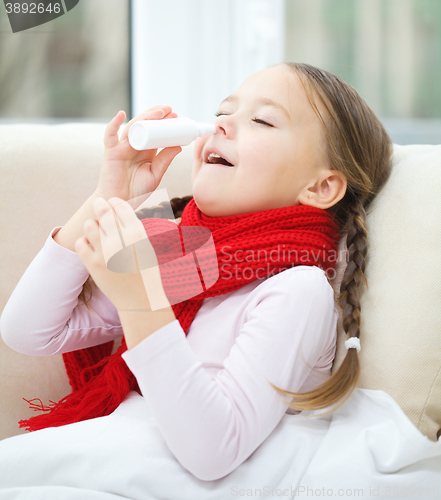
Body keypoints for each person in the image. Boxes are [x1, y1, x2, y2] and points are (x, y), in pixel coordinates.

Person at [0, 62, 392, 497]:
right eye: (223, 111)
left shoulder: (299, 289)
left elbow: (214, 450)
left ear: (320, 188)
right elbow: (29, 332)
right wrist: (108, 194)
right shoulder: (181, 257)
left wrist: (141, 303)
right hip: (121, 461)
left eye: (261, 119)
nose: (222, 123)